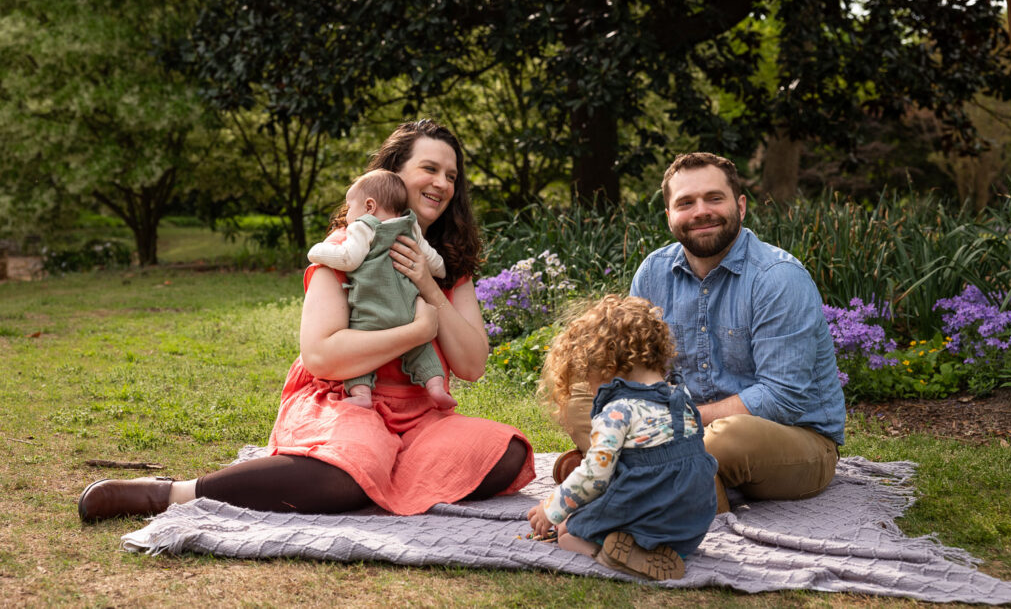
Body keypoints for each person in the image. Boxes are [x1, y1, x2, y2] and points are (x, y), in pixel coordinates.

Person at [78, 119, 534, 521]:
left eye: (451, 175)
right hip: (345, 398)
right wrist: (416, 332)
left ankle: (380, 469)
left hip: (419, 419)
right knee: (351, 468)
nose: (442, 183)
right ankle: (174, 494)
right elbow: (322, 356)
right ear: (393, 175)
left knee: (507, 451)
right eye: (430, 169)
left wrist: (428, 285)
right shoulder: (346, 249)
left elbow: (472, 365)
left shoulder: (448, 264)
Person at [554, 152, 845, 514]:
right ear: (669, 216)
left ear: (740, 205)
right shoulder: (653, 273)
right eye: (686, 203)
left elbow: (782, 399)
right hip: (676, 429)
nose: (701, 211)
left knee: (728, 439)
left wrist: (670, 418)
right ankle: (660, 480)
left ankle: (615, 473)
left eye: (714, 198)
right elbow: (627, 363)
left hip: (790, 438)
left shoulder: (777, 278)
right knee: (580, 389)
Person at [527, 295, 718, 581]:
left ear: (607, 365)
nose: (591, 389)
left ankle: (612, 556)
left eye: (588, 377)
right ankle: (661, 552)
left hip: (647, 506)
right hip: (690, 522)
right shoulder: (682, 397)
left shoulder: (619, 411)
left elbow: (595, 475)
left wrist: (550, 509)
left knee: (567, 532)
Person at [306, 169, 455, 410]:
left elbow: (349, 259)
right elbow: (432, 259)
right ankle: (436, 387)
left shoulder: (364, 225)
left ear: (369, 206)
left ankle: (361, 393)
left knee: (358, 359)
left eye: (350, 207)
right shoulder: (410, 226)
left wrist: (316, 252)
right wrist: (439, 271)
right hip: (407, 310)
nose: (347, 216)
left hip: (371, 312)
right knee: (422, 351)